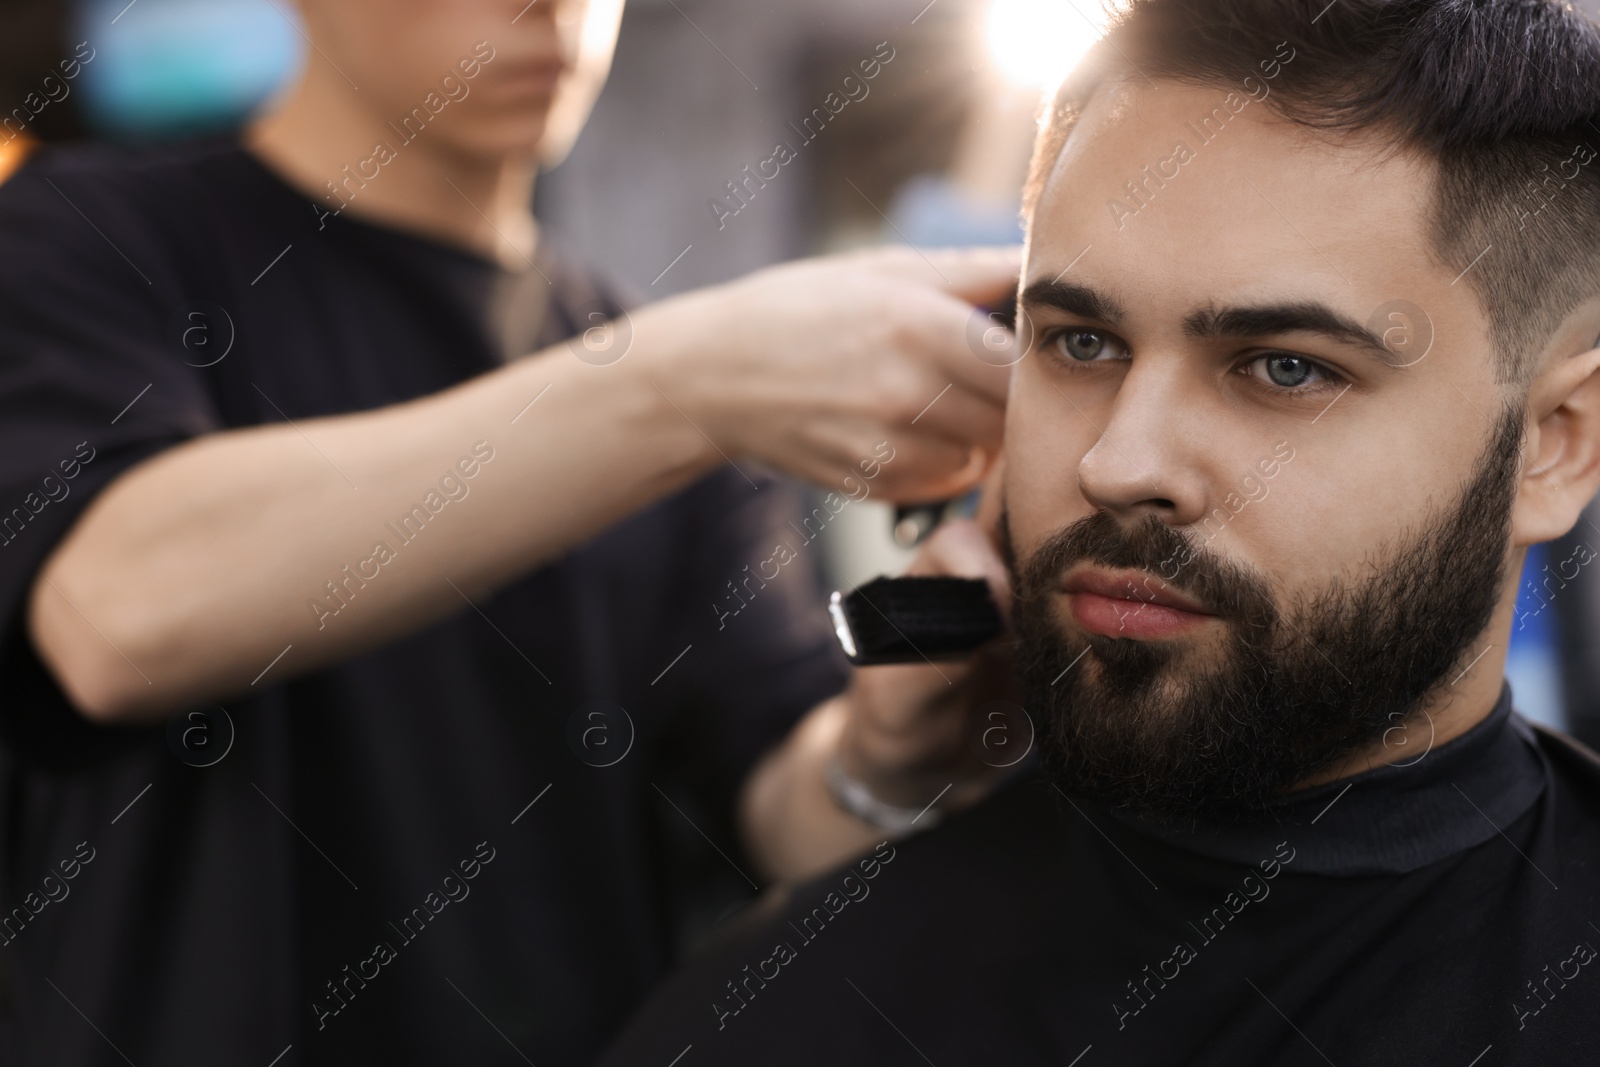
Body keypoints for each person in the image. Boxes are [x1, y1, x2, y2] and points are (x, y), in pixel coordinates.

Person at [0, 0, 1018, 1064]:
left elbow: (782, 807)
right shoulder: (87, 242)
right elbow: (116, 613)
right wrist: (686, 384)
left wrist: (892, 750)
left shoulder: (652, 365)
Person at [598, 1, 1600, 1064]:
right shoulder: (769, 1016)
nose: (1117, 463)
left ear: (1554, 444)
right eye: (1081, 340)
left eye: (1286, 367)